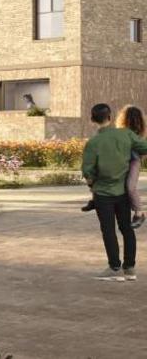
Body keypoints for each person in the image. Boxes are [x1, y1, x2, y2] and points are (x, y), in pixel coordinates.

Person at [81, 102, 147, 281]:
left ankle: (114, 268)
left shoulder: (93, 143)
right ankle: (130, 269)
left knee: (108, 230)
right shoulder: (126, 134)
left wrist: (93, 184)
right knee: (127, 229)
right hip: (123, 193)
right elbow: (144, 147)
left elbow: (88, 171)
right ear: (110, 117)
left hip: (103, 194)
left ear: (92, 119)